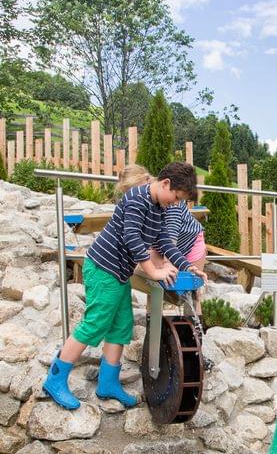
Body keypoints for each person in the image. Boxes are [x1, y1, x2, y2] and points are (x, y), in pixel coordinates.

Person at [42, 161, 205, 411]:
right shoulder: (136, 198)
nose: (175, 203)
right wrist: (154, 271)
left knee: (120, 326)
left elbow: (163, 240)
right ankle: (55, 379)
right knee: (95, 323)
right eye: (175, 197)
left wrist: (186, 265)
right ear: (165, 183)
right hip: (102, 269)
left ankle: (108, 384)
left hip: (118, 274)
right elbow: (132, 239)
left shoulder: (159, 207)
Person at [114, 164, 207, 314]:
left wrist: (168, 263)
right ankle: (154, 332)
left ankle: (193, 334)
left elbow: (170, 234)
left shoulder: (170, 199)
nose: (135, 195)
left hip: (190, 242)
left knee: (193, 291)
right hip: (164, 245)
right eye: (128, 193)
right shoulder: (141, 200)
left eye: (137, 189)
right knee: (155, 284)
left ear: (146, 181)